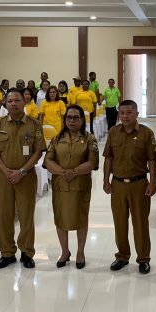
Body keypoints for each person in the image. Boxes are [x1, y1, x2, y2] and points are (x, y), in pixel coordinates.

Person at [0, 89, 47, 269]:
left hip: (26, 177)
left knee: (26, 216)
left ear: (24, 102)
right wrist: (6, 172)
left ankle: (27, 252)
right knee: (4, 216)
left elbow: (38, 151)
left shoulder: (34, 125)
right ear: (5, 103)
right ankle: (7, 253)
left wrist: (21, 171)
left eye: (17, 100)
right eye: (10, 100)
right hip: (4, 177)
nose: (13, 103)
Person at [103, 100, 156, 274]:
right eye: (122, 113)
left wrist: (153, 182)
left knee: (141, 223)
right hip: (118, 184)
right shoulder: (113, 132)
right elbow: (108, 158)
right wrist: (105, 179)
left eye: (129, 113)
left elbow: (152, 160)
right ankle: (122, 256)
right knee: (119, 222)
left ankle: (143, 259)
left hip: (139, 184)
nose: (125, 116)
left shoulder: (146, 133)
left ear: (136, 114)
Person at [43, 105, 99, 269]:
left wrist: (73, 172)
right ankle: (65, 251)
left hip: (80, 185)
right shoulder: (57, 138)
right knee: (60, 219)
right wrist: (63, 172)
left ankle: (80, 252)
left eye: (76, 117)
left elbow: (93, 162)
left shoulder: (89, 139)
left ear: (82, 120)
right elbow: (48, 160)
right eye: (69, 117)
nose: (72, 121)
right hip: (60, 185)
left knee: (81, 218)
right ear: (65, 119)